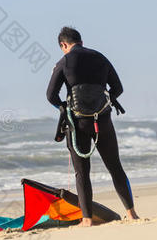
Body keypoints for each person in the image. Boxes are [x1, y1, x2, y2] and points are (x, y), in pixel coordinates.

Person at [46, 26, 139, 226]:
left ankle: (87, 219)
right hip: (102, 121)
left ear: (63, 45)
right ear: (81, 41)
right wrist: (105, 102)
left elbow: (50, 96)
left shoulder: (63, 62)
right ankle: (131, 213)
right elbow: (118, 88)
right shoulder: (100, 58)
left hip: (77, 124)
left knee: (82, 172)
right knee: (115, 168)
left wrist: (64, 108)